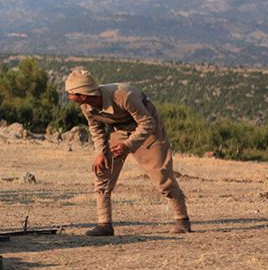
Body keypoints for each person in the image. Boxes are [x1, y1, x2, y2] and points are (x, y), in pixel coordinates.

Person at [65, 68, 191, 236]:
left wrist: (128, 145)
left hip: (147, 128)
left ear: (82, 94)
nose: (68, 97)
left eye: (70, 93)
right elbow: (96, 131)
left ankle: (182, 220)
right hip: (119, 130)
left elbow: (147, 123)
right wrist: (101, 154)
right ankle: (104, 225)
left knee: (161, 175)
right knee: (102, 172)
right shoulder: (86, 106)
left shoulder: (124, 95)